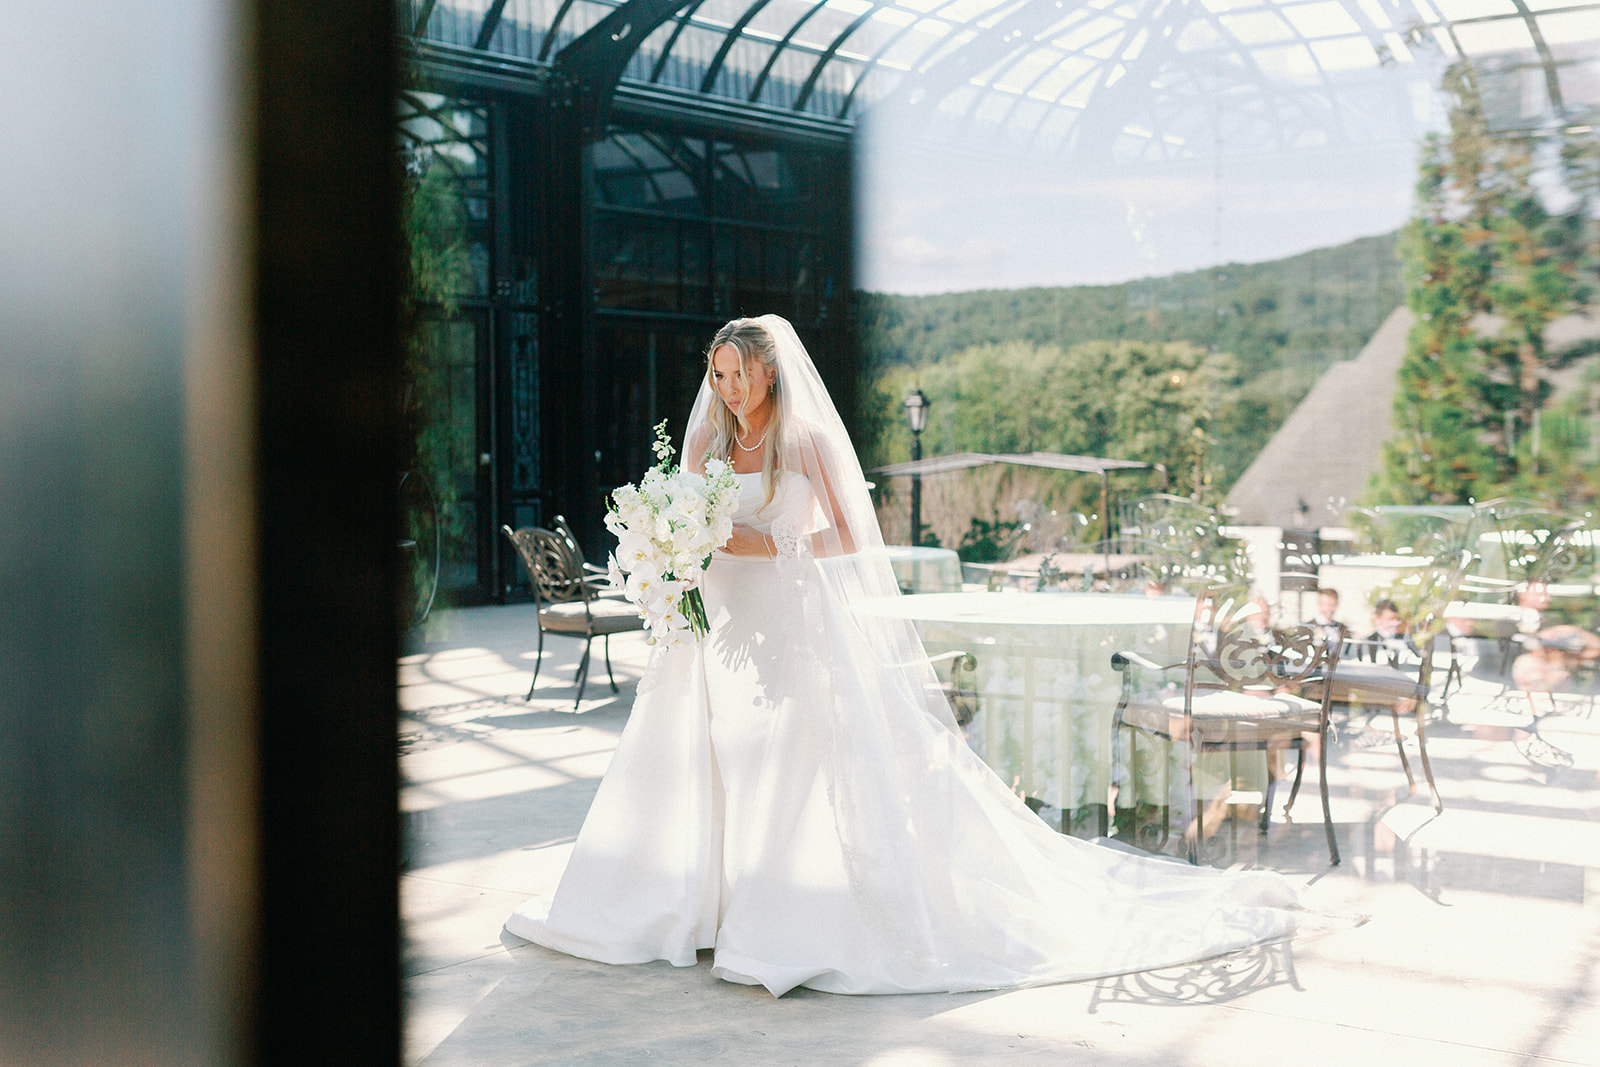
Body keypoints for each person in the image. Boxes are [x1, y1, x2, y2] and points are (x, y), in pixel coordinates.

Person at [505, 315, 1313, 997]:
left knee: (790, 765)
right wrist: (675, 543)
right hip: (718, 625)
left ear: (772, 373)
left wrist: (760, 538)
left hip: (790, 619)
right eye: (717, 376)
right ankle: (703, 905)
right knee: (716, 760)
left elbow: (850, 535)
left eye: (739, 376)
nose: (727, 391)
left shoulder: (806, 437)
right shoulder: (711, 437)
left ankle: (784, 915)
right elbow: (684, 514)